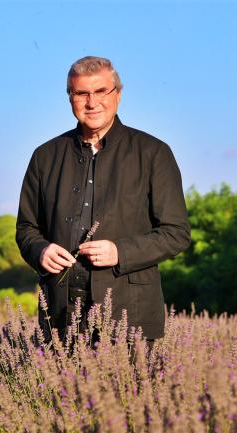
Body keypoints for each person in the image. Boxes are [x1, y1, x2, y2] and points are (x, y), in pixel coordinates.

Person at [16, 56, 190, 345]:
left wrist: (120, 252)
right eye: (81, 93)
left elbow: (176, 233)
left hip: (130, 315)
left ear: (117, 94)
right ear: (70, 98)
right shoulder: (44, 157)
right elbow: (26, 228)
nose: (92, 102)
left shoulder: (153, 153)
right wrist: (40, 250)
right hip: (61, 316)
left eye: (101, 91)